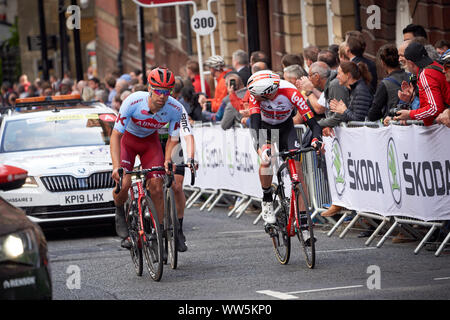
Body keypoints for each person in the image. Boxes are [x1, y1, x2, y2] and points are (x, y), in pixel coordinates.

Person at [110, 67, 192, 249]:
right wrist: (116, 166)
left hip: (150, 144)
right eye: (158, 91)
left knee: (156, 185)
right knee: (123, 184)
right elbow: (115, 136)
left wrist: (167, 160)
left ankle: (159, 231)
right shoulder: (133, 101)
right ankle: (119, 212)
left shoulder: (175, 108)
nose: (163, 96)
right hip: (128, 143)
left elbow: (173, 139)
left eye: (167, 91)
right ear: (149, 88)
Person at [246, 70, 322, 226]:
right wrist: (261, 151)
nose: (254, 98)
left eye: (257, 96)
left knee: (298, 174)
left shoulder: (291, 93)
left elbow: (313, 124)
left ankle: (303, 220)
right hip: (265, 128)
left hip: (286, 129)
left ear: (267, 93)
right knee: (267, 163)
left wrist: (317, 139)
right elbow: (254, 128)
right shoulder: (255, 96)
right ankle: (267, 199)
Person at [321, 61, 373, 218]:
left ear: (348, 75)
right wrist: (342, 113)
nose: (337, 76)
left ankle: (368, 217)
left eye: (339, 73)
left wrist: (343, 111)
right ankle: (361, 214)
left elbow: (359, 119)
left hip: (363, 142)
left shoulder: (362, 90)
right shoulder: (353, 89)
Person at [394, 42, 450, 126]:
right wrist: (412, 100)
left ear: (410, 63)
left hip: (439, 130)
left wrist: (410, 114)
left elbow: (434, 109)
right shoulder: (435, 66)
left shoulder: (425, 74)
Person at [368, 44, 410, 121]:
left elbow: (373, 113)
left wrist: (384, 115)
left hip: (393, 124)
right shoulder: (411, 77)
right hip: (413, 124)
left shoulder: (385, 84)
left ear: (382, 62)